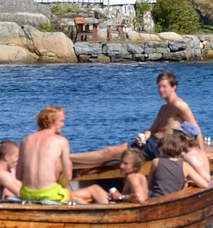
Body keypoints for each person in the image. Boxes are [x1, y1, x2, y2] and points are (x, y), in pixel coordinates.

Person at [71, 71, 205, 171]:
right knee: (111, 153)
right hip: (150, 144)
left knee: (110, 153)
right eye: (159, 86)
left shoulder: (179, 105)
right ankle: (71, 161)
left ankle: (69, 159)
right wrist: (144, 136)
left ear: (173, 87)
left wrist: (202, 152)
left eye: (164, 86)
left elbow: (195, 127)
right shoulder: (164, 108)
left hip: (161, 147)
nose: (160, 90)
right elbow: (152, 130)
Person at [14, 106, 111, 205]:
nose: (63, 125)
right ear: (52, 121)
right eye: (61, 121)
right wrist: (59, 186)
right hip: (49, 193)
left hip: (26, 194)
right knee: (77, 199)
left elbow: (18, 176)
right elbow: (68, 175)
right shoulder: (61, 141)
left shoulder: (25, 140)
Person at [148, 130, 210, 199]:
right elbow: (205, 185)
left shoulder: (156, 161)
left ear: (163, 148)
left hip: (156, 198)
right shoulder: (185, 166)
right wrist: (188, 182)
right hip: (174, 200)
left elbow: (149, 186)